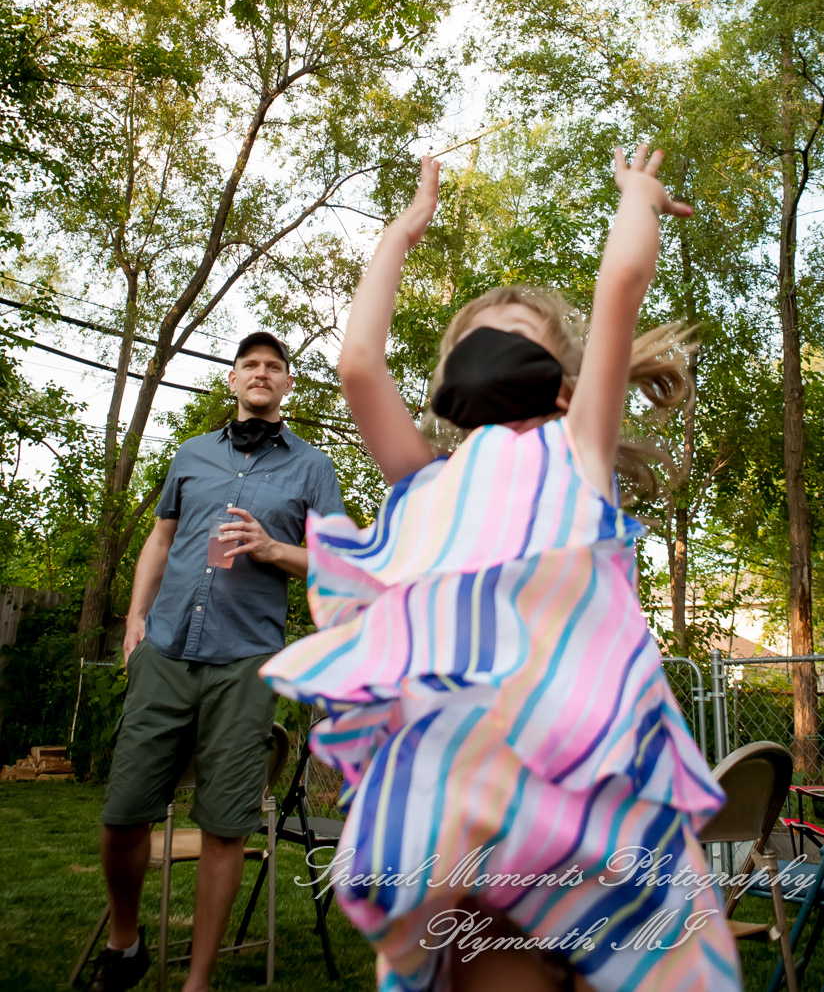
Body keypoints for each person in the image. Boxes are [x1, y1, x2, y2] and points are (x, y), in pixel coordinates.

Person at [261, 148, 743, 992]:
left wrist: (636, 195)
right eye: (470, 343)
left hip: (581, 777)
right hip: (470, 789)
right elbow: (357, 365)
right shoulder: (425, 477)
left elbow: (620, 282)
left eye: (513, 341)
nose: (489, 352)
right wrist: (401, 233)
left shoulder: (576, 450)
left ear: (562, 383)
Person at [86, 330, 343, 992]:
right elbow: (160, 537)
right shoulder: (190, 456)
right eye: (248, 365)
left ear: (288, 385)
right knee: (122, 814)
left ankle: (198, 981)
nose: (260, 373)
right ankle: (125, 940)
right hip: (167, 648)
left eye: (273, 367)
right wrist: (137, 617)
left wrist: (272, 549)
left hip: (245, 661)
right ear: (231, 381)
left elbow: (338, 563)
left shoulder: (312, 468)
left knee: (226, 825)